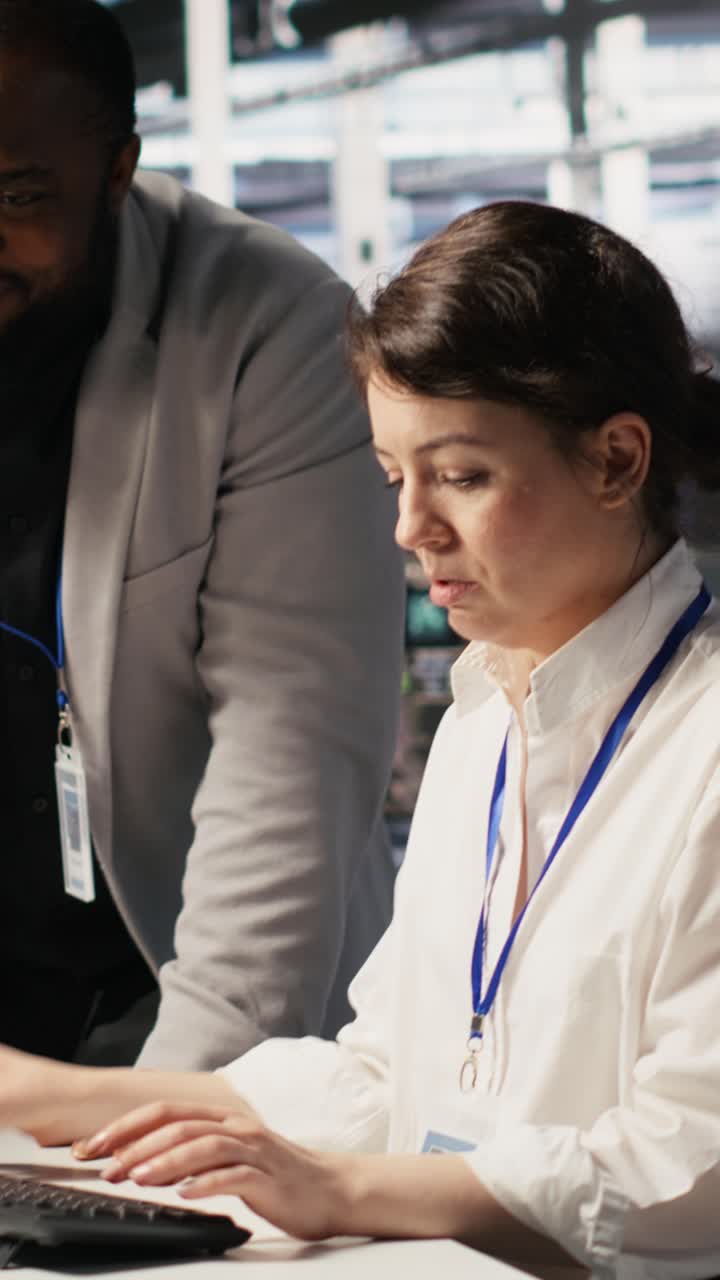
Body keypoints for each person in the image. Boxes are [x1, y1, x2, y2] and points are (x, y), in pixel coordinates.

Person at [3, 199, 720, 1280]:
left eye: (463, 475)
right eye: (397, 477)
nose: (410, 526)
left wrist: (341, 1188)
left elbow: (689, 1161)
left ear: (618, 459)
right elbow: (386, 1074)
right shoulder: (486, 716)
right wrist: (36, 1095)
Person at [0, 0, 404, 1069]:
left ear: (120, 165)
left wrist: (180, 1122)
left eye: (17, 195)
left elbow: (289, 751)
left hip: (173, 987)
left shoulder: (267, 329)